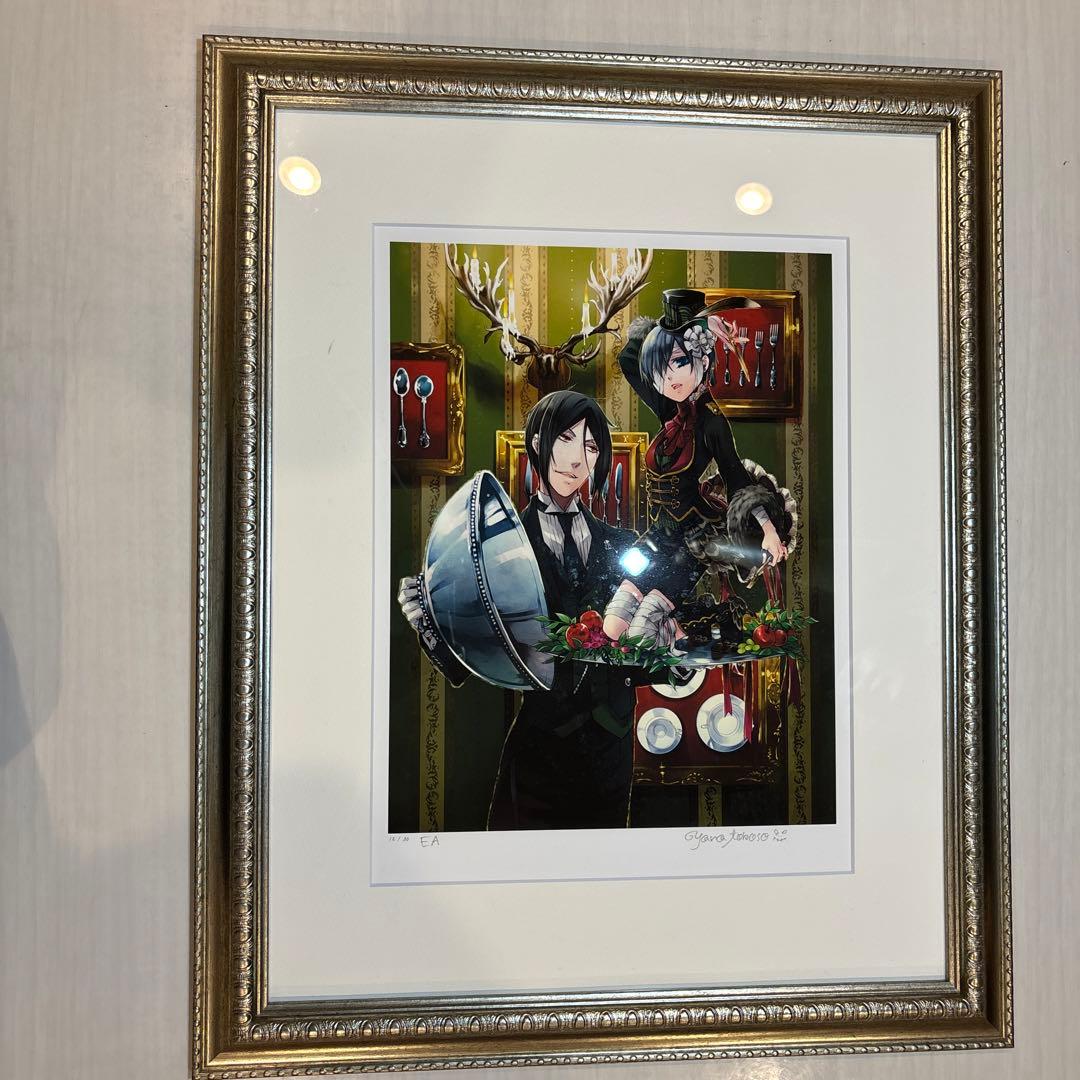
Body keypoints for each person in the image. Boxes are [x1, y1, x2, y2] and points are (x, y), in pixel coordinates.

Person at [399, 390, 659, 830]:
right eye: (565, 438)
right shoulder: (497, 552)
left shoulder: (622, 547)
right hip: (538, 754)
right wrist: (428, 624)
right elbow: (472, 660)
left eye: (591, 446)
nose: (576, 459)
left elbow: (642, 657)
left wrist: (671, 650)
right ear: (538, 443)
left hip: (609, 758)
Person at [603, 289, 795, 648]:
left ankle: (680, 633)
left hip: (692, 543)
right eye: (659, 370)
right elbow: (630, 359)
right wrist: (673, 326)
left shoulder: (712, 424)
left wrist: (768, 529)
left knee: (641, 634)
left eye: (679, 362)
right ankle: (678, 630)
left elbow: (737, 478)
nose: (669, 377)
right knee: (613, 626)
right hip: (658, 536)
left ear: (703, 360)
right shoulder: (668, 407)